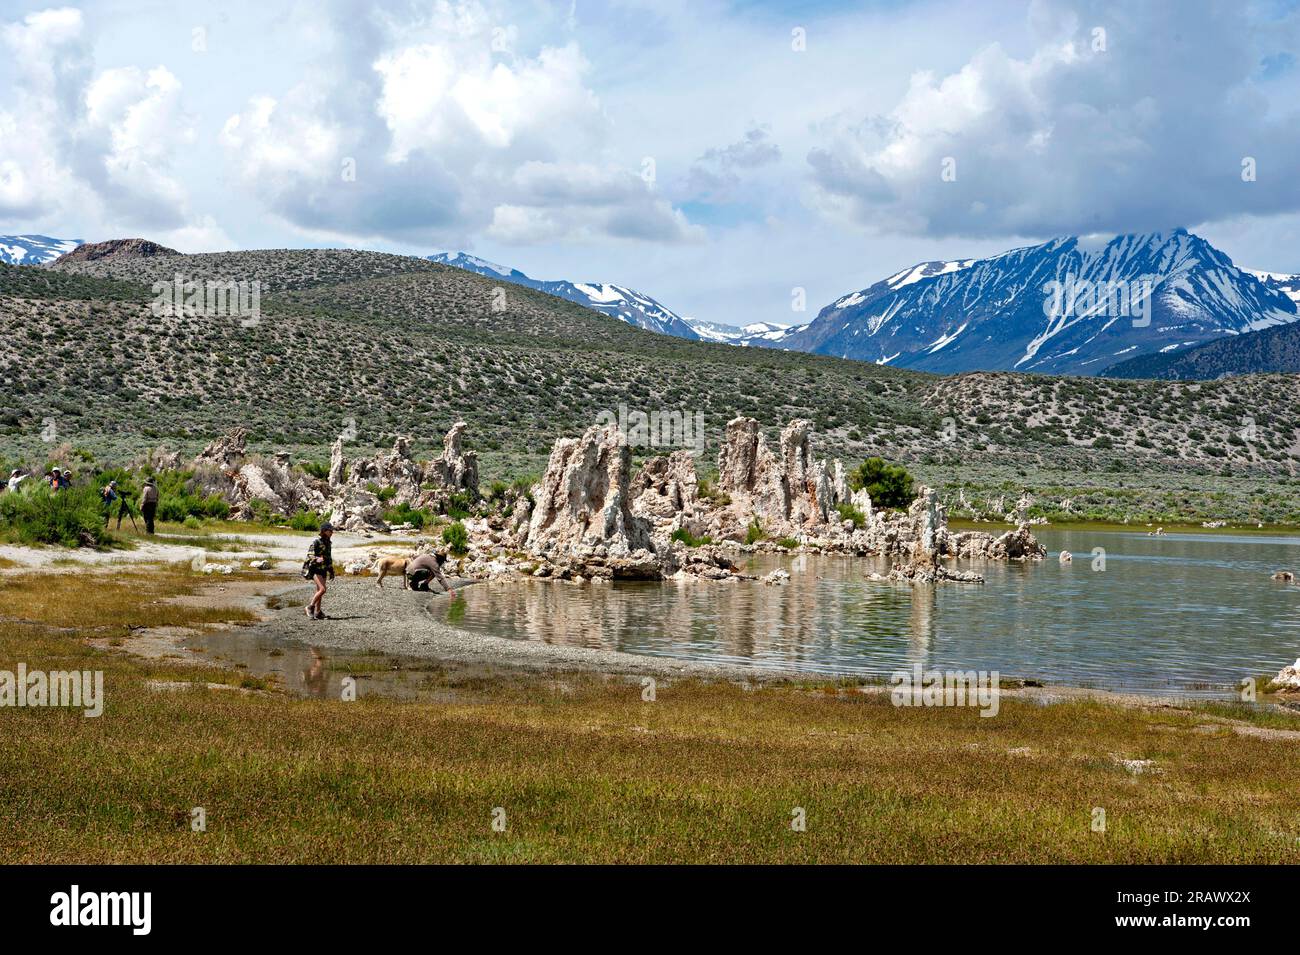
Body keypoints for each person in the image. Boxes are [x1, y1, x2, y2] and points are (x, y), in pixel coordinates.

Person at [304, 522, 336, 620]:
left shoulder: (328, 543)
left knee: (319, 591)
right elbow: (310, 554)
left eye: (332, 530)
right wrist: (316, 558)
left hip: (324, 569)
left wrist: (331, 570)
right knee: (323, 589)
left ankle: (318, 612)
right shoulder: (316, 542)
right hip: (315, 569)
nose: (331, 532)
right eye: (329, 530)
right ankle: (310, 607)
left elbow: (329, 557)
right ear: (324, 531)